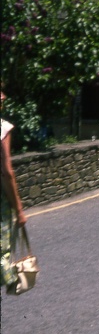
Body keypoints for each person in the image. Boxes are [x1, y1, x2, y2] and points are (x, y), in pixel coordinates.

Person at [1, 91, 27, 291]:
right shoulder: (2, 128)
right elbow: (6, 171)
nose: (3, 97)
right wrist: (19, 208)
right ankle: (11, 282)